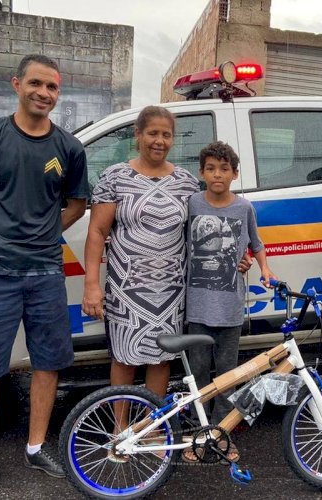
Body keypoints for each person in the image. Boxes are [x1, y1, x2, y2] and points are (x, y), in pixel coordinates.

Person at [0, 54, 88, 500]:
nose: (43, 93)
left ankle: (35, 446)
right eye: (35, 84)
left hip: (46, 270)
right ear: (16, 84)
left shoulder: (69, 149)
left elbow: (77, 205)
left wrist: (44, 235)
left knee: (48, 362)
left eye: (52, 87)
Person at [82, 109, 252, 401]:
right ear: (138, 135)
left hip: (171, 289)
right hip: (127, 288)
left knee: (161, 358)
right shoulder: (115, 177)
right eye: (152, 133)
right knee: (124, 358)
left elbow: (208, 227)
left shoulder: (186, 183)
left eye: (166, 135)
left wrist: (237, 257)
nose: (159, 141)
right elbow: (97, 232)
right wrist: (92, 285)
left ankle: (152, 429)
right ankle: (121, 432)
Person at [182, 141, 275, 463]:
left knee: (227, 375)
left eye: (224, 169)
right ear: (201, 173)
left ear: (235, 174)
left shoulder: (243, 208)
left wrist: (262, 267)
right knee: (198, 373)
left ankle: (221, 435)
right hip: (197, 307)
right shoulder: (192, 204)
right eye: (210, 169)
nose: (217, 175)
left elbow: (256, 244)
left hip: (230, 308)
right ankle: (198, 434)